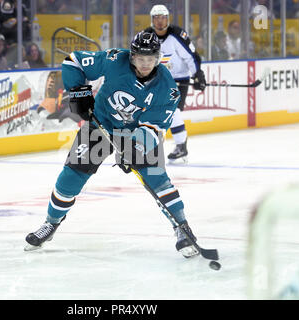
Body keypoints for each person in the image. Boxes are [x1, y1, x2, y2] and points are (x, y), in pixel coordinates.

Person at [24, 30, 201, 260]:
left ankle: (182, 227)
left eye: (150, 59)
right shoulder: (114, 59)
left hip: (137, 133)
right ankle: (51, 223)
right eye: (140, 59)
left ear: (158, 58)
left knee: (158, 179)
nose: (145, 64)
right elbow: (73, 61)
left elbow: (155, 127)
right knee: (71, 176)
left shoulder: (167, 87)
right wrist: (79, 92)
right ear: (132, 56)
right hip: (100, 126)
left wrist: (134, 149)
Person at [144, 4, 206, 161]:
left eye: (163, 18)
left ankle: (181, 146)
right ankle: (149, 146)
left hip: (178, 79)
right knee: (149, 112)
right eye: (156, 18)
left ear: (167, 19)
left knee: (174, 112)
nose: (160, 22)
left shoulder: (177, 35)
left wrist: (198, 75)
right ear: (152, 20)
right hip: (156, 80)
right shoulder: (146, 36)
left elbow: (191, 56)